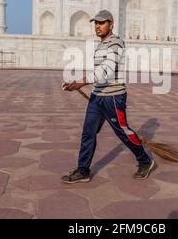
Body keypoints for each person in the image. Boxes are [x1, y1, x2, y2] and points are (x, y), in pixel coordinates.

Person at [62, 10, 155, 184]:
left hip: (113, 97)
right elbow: (99, 71)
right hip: (97, 96)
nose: (98, 26)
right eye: (96, 23)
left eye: (102, 23)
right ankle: (83, 170)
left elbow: (107, 69)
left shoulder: (116, 43)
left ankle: (145, 161)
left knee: (123, 132)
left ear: (111, 24)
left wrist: (81, 82)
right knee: (88, 133)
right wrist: (78, 83)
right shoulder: (101, 44)